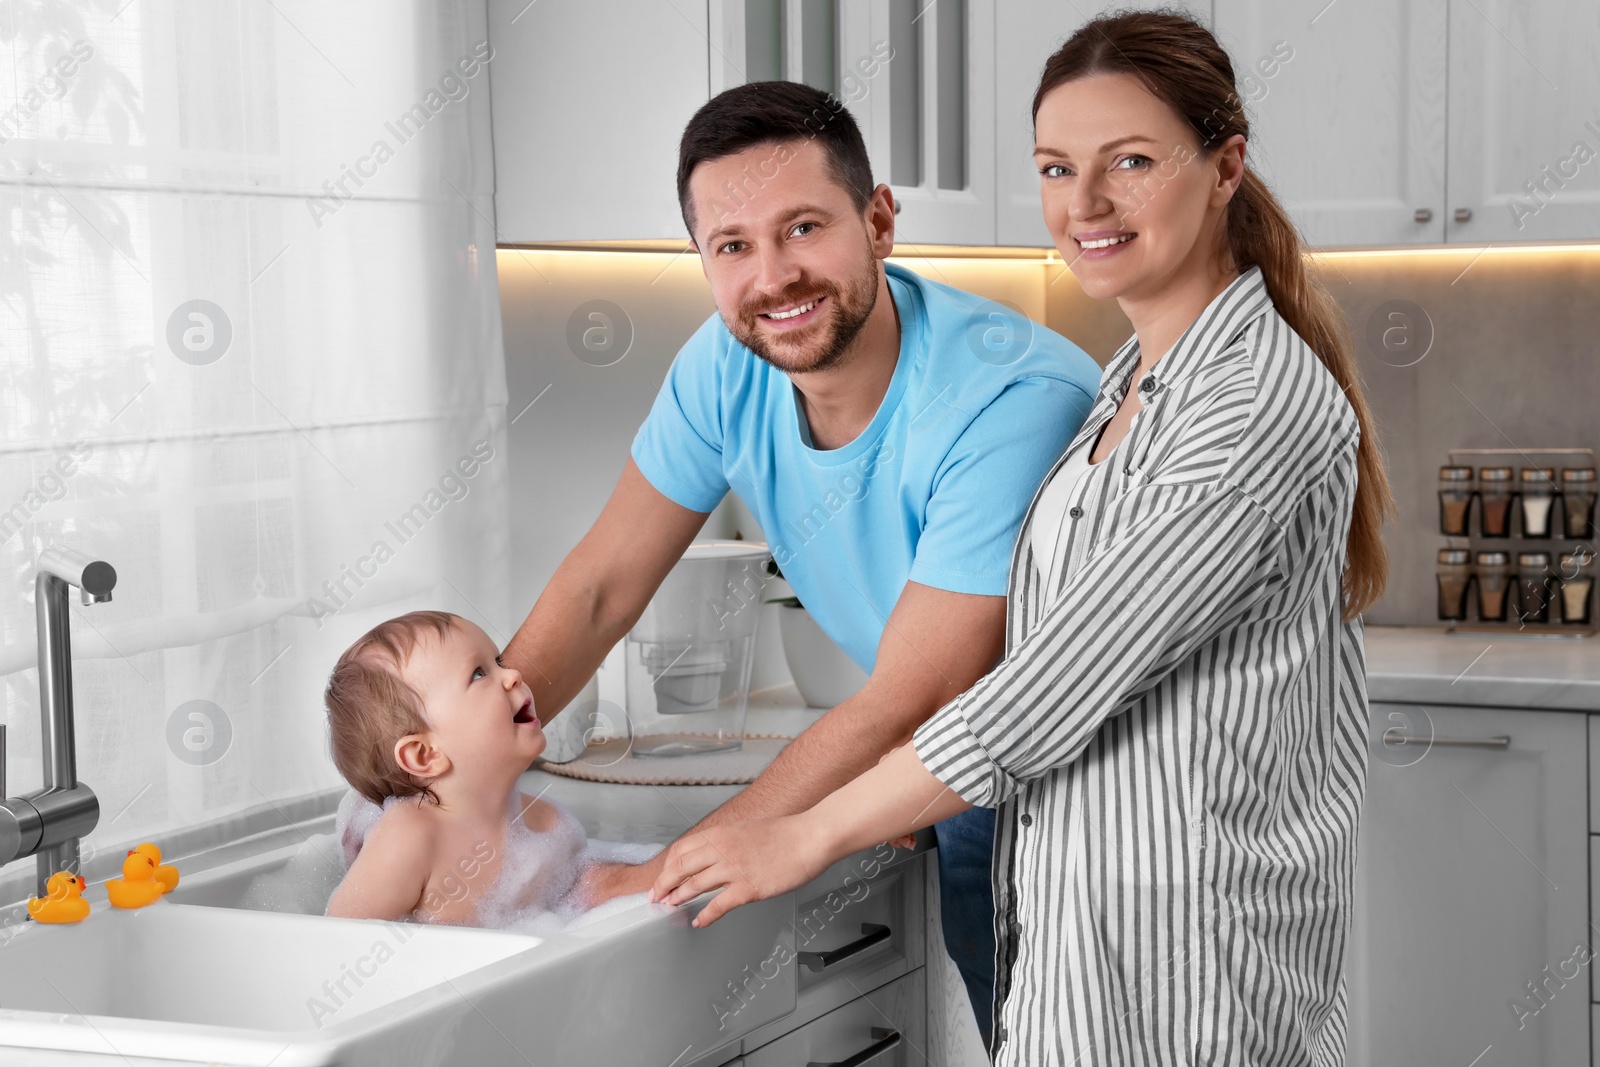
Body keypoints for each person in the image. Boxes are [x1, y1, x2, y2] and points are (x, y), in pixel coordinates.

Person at [648, 12, 1396, 1066]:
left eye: (1129, 162)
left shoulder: (1252, 405)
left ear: (1225, 166)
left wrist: (806, 828)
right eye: (1056, 167)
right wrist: (902, 796)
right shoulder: (1123, 384)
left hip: (1188, 964)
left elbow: (1045, 691)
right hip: (1087, 948)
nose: (1082, 204)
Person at [500, 80, 1101, 1043]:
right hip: (942, 770)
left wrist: (683, 861)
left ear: (879, 220)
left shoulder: (1010, 396)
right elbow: (604, 582)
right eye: (731, 246)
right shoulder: (723, 366)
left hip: (1071, 800)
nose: (772, 275)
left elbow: (913, 692)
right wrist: (465, 755)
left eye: (804, 227)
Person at [323, 610, 615, 928]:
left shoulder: (547, 823)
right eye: (478, 674)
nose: (513, 675)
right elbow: (337, 942)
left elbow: (574, 908)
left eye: (499, 662)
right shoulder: (410, 837)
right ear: (423, 755)